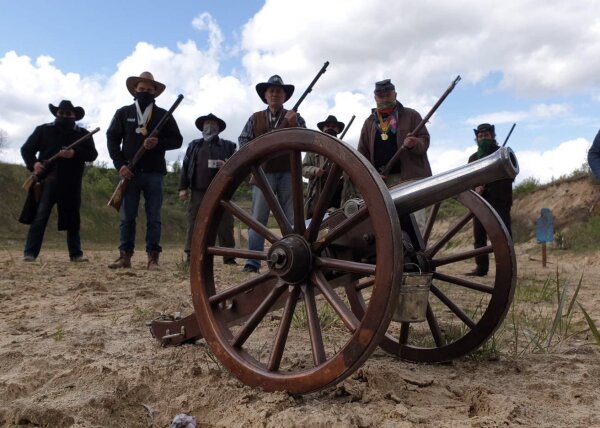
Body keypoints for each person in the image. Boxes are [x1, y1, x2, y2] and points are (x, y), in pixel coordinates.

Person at [107, 71, 183, 270]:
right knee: (127, 217)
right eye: (141, 89)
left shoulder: (163, 115)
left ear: (155, 93)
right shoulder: (123, 112)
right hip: (129, 173)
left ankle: (153, 258)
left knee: (154, 217)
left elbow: (178, 140)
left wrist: (158, 143)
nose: (145, 92)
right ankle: (125, 256)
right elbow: (112, 139)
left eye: (149, 90)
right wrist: (120, 165)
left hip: (155, 174)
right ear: (135, 90)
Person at [238, 75, 306, 273]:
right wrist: (257, 159)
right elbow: (243, 142)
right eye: (271, 91)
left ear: (284, 96)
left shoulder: (295, 116)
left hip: (289, 173)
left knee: (292, 219)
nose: (275, 94)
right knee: (257, 219)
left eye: (279, 91)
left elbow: (305, 139)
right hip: (263, 173)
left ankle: (292, 259)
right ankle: (253, 262)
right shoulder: (255, 118)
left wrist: (293, 124)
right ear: (265, 96)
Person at [19, 100, 98, 262]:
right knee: (39, 218)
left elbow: (92, 155)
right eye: (61, 113)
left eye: (68, 114)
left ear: (74, 116)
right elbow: (26, 150)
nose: (64, 116)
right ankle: (30, 253)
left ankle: (76, 254)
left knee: (72, 219)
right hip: (46, 182)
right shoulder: (43, 130)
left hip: (70, 184)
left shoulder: (83, 134)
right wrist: (34, 163)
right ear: (56, 113)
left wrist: (74, 153)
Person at [179, 113, 237, 264]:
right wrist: (183, 188)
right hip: (198, 190)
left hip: (222, 190)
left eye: (213, 124)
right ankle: (191, 255)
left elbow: (238, 167)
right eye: (207, 123)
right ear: (202, 127)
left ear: (218, 128)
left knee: (225, 223)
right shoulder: (193, 145)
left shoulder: (229, 146)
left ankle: (229, 257)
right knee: (194, 222)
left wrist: (226, 166)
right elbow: (185, 167)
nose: (210, 126)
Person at [466, 123, 513, 277]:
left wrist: (493, 177)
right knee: (479, 237)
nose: (483, 138)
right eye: (480, 136)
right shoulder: (473, 158)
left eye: (486, 135)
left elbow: (511, 175)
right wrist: (476, 187)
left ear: (492, 136)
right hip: (480, 202)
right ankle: (481, 268)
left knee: (503, 236)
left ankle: (507, 269)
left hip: (500, 200)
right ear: (476, 139)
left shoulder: (502, 153)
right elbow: (468, 180)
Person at [302, 115, 345, 217]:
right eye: (328, 126)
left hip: (338, 194)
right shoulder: (313, 150)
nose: (330, 128)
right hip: (318, 195)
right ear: (323, 129)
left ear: (338, 130)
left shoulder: (344, 150)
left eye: (334, 126)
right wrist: (314, 170)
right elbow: (303, 169)